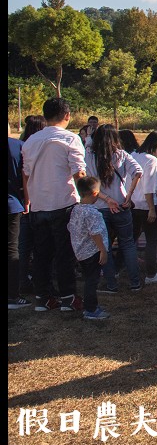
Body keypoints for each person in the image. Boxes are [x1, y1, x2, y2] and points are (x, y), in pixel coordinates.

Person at [21, 97, 88, 313]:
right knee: (64, 253)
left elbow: (26, 173)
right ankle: (68, 298)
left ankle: (43, 297)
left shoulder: (30, 141)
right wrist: (87, 197)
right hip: (63, 202)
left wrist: (28, 200)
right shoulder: (71, 139)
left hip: (39, 204)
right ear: (67, 115)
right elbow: (79, 172)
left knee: (42, 253)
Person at [86, 124, 144, 293]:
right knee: (128, 245)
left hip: (100, 206)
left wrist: (106, 199)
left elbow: (90, 183)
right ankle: (135, 283)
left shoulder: (90, 156)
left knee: (105, 246)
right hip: (121, 205)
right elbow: (138, 172)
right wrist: (128, 195)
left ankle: (111, 284)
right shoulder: (122, 155)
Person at [67, 176, 111, 321]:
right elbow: (95, 233)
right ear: (94, 194)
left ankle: (92, 306)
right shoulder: (92, 213)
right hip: (93, 252)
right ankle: (91, 309)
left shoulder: (76, 210)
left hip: (81, 252)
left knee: (89, 279)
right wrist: (103, 250)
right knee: (92, 281)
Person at [132, 132, 157, 284]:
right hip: (145, 204)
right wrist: (151, 209)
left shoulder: (134, 155)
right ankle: (151, 274)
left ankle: (119, 268)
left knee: (131, 238)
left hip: (132, 203)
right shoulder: (152, 161)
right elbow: (149, 188)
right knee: (151, 240)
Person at [16, 115, 46, 300]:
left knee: (23, 246)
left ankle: (22, 280)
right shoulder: (35, 149)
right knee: (40, 245)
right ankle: (36, 281)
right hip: (36, 202)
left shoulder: (20, 147)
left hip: (21, 202)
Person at [8, 122, 30, 309]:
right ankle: (12, 296)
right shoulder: (18, 146)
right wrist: (27, 199)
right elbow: (25, 176)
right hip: (12, 203)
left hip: (13, 203)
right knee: (11, 250)